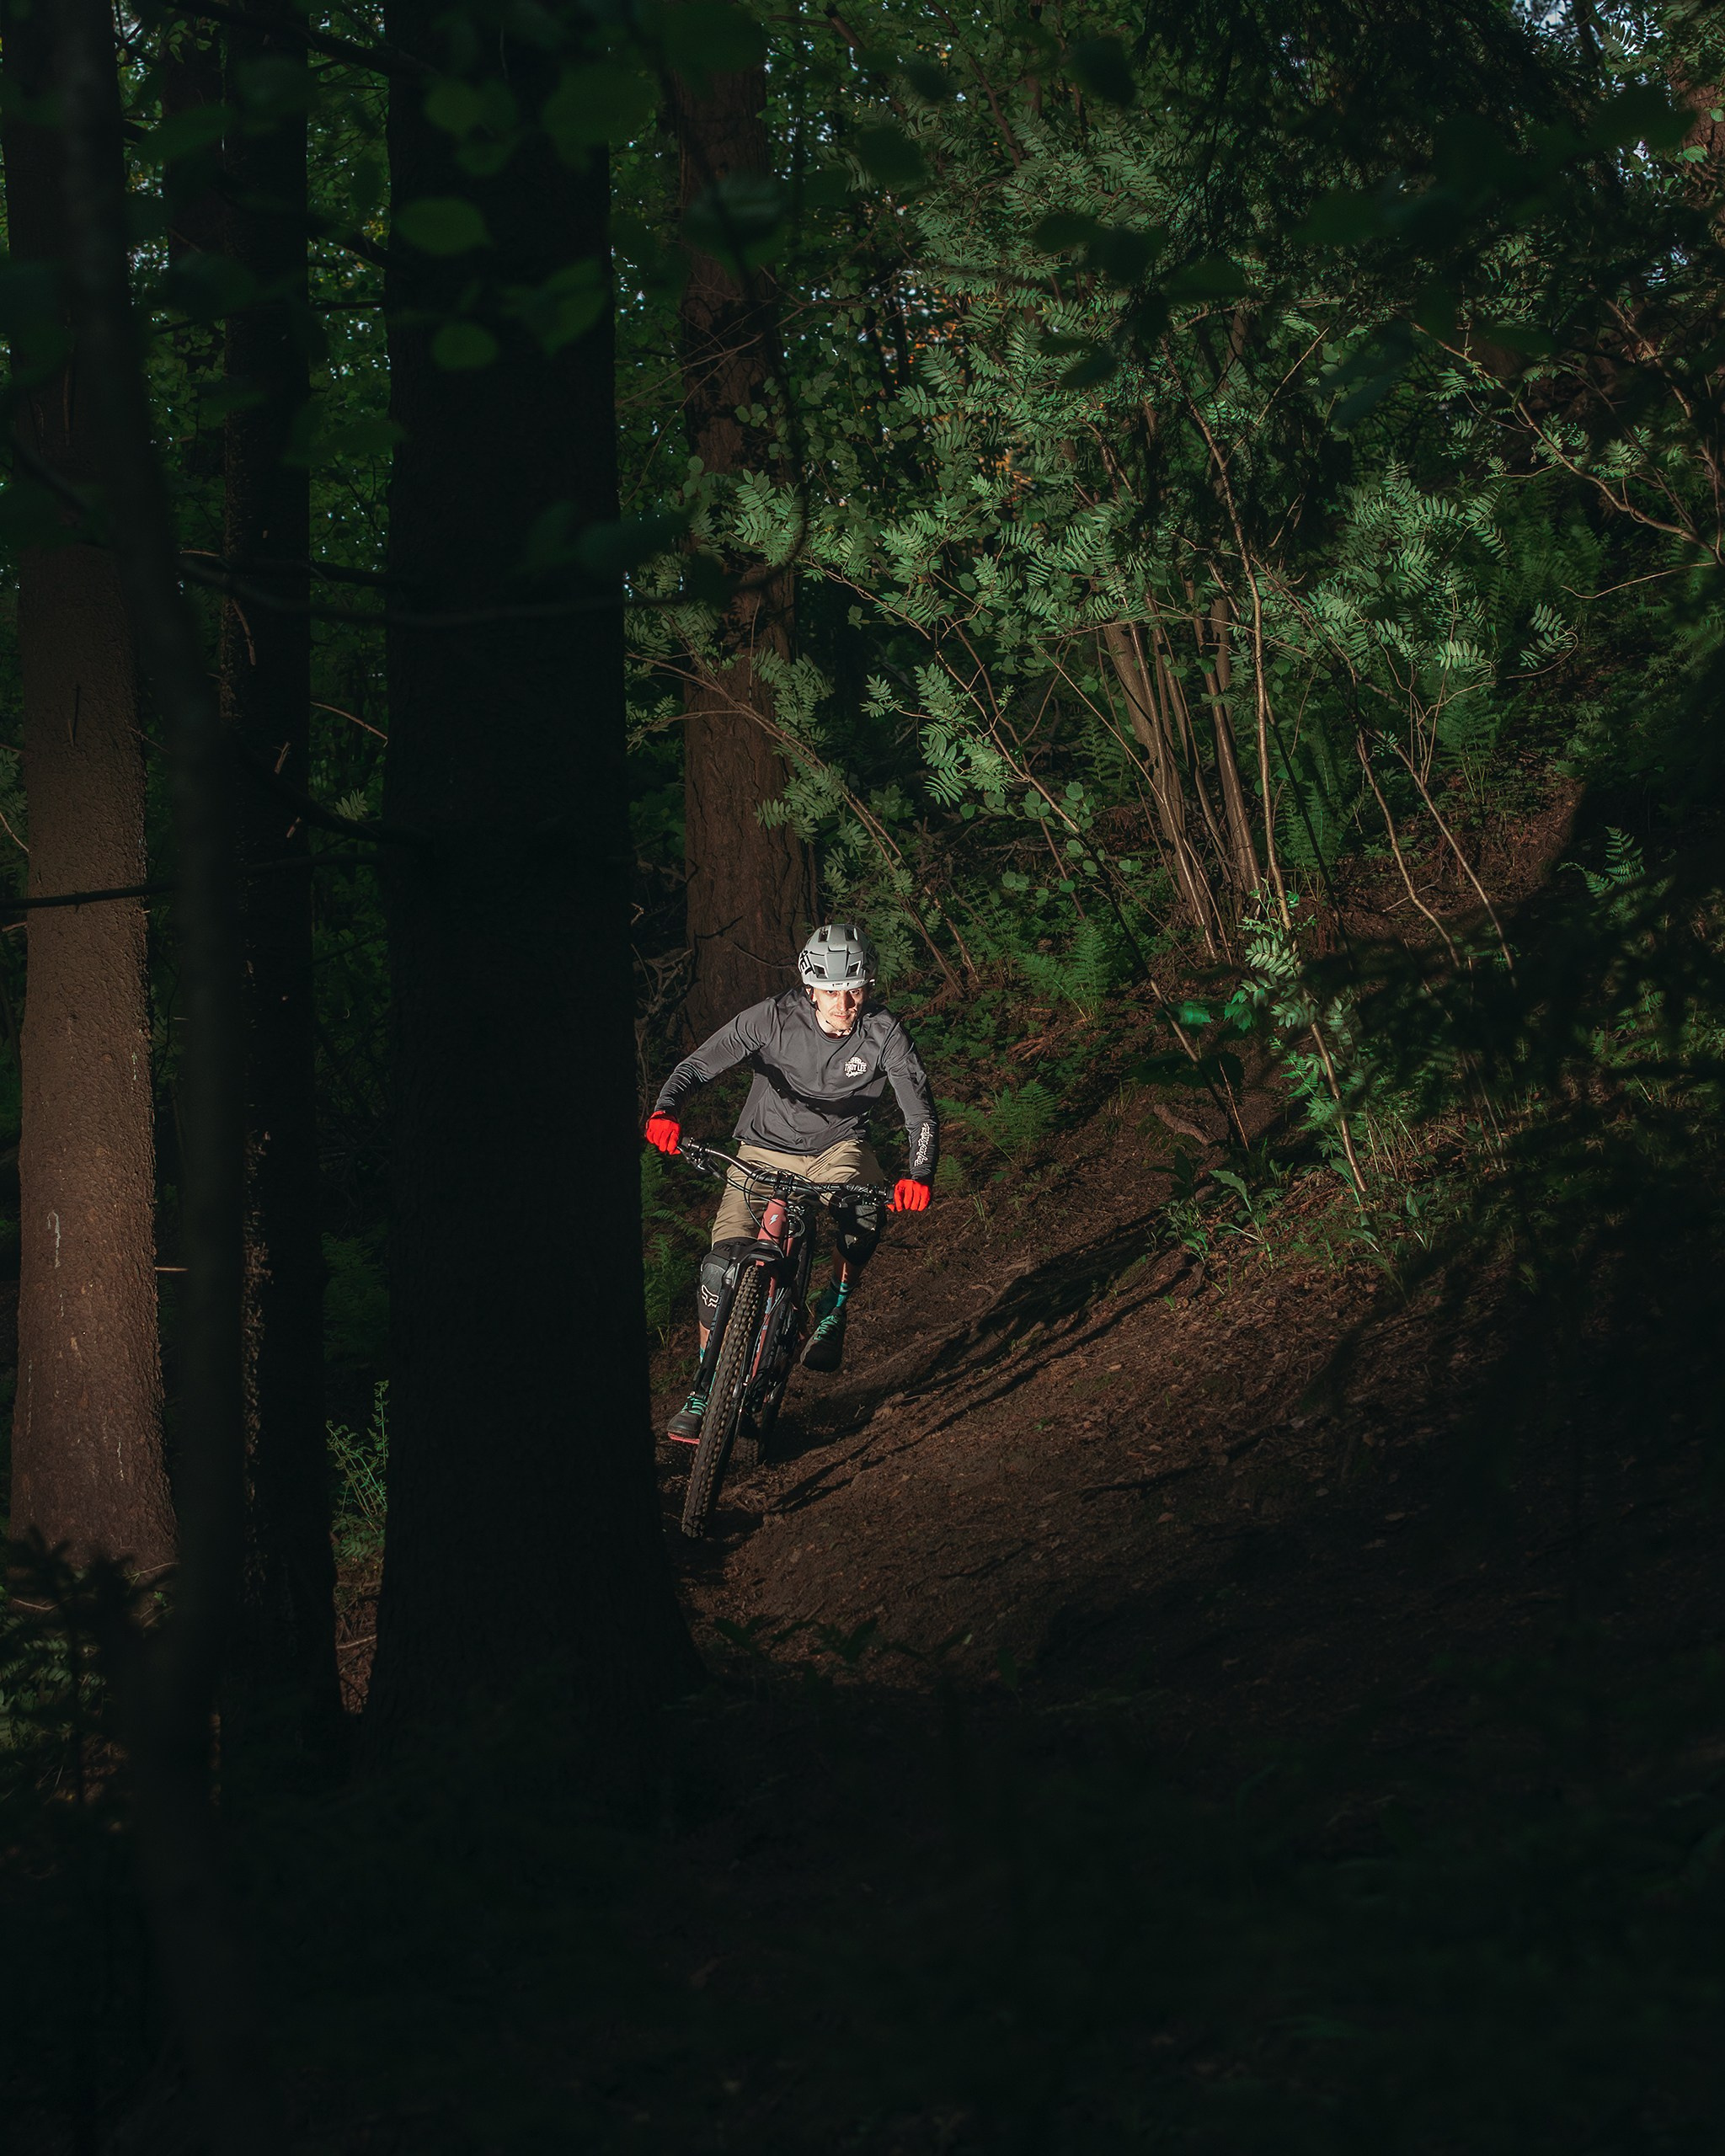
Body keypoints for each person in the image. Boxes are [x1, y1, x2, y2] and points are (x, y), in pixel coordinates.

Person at [644, 922, 937, 1443]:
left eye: (854, 989)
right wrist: (666, 1111)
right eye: (830, 991)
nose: (843, 1004)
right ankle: (705, 1385)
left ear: (868, 986)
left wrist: (918, 1175)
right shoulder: (773, 1019)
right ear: (809, 988)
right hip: (759, 1149)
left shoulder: (884, 1033)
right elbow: (697, 1066)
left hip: (835, 1152)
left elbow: (919, 1112)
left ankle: (835, 1303)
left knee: (864, 1209)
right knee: (719, 1270)